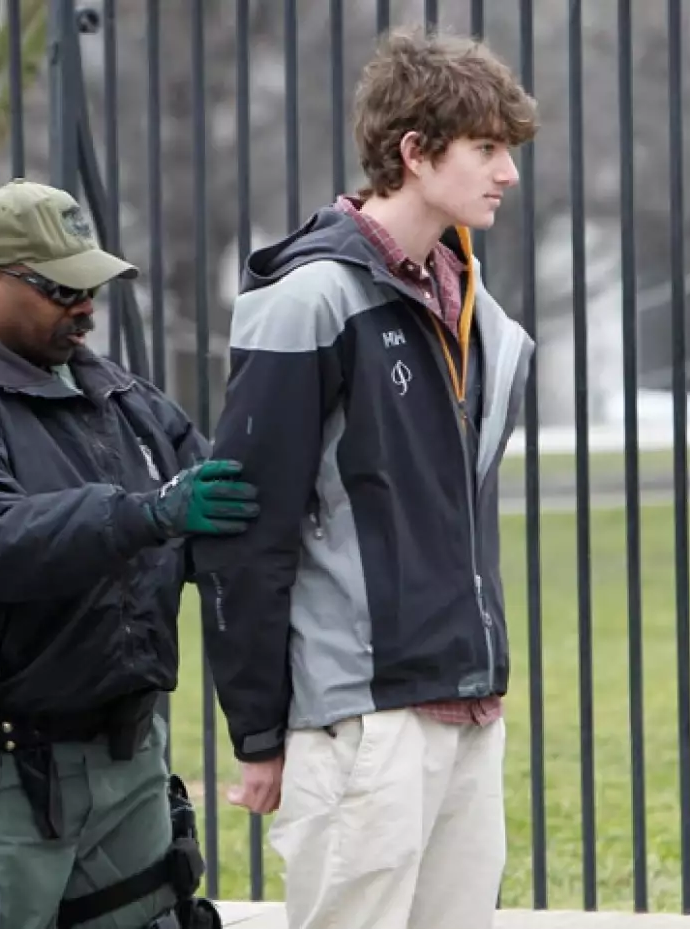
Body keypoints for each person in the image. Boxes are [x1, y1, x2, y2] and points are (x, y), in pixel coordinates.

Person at [191, 27, 539, 929]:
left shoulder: (476, 314)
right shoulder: (310, 299)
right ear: (415, 151)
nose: (508, 173)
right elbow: (245, 527)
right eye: (487, 148)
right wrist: (258, 730)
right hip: (363, 721)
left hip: (468, 707)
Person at [0, 178, 258, 929]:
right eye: (62, 290)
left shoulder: (118, 394)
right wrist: (143, 515)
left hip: (130, 760)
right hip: (3, 779)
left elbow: (209, 506)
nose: (85, 307)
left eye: (91, 288)